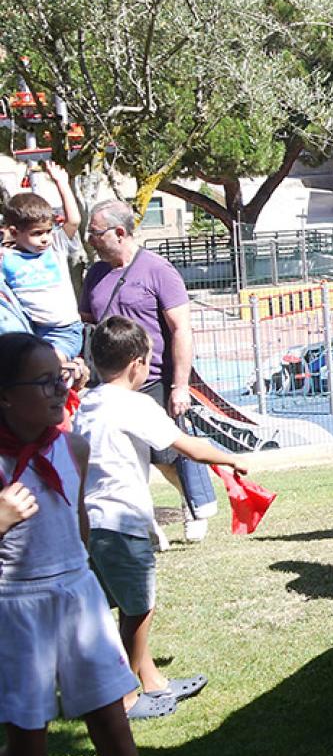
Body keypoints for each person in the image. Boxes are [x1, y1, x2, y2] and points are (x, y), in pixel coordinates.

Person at [0, 332, 193, 756]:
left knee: (114, 731)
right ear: (5, 398)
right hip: (17, 607)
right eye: (44, 383)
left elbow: (78, 520)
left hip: (76, 598)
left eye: (61, 377)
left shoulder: (72, 445)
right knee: (30, 749)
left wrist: (84, 578)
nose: (61, 389)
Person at [75, 318, 249, 720]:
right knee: (139, 608)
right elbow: (186, 445)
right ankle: (125, 697)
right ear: (137, 364)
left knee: (111, 606)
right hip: (122, 523)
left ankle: (152, 681)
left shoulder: (88, 402)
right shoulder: (133, 405)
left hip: (93, 524)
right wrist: (232, 459)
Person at [81, 199, 218, 544]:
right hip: (108, 382)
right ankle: (144, 524)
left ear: (119, 232)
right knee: (121, 456)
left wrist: (180, 385)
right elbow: (85, 324)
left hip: (152, 377)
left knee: (166, 454)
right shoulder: (94, 274)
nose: (90, 239)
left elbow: (181, 329)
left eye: (95, 233)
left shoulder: (158, 270)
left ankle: (194, 502)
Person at [1, 166, 82, 361]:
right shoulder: (7, 258)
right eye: (37, 234)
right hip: (33, 329)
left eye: (47, 231)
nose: (45, 238)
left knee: (46, 364)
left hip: (65, 331)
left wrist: (62, 183)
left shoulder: (55, 248)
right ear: (14, 232)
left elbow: (74, 220)